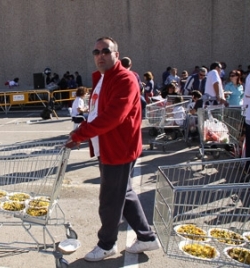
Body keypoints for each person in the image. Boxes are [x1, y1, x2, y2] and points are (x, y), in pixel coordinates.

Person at [65, 36, 160, 262]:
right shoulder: (103, 79)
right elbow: (97, 112)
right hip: (107, 146)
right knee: (123, 193)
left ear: (116, 54)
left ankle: (107, 244)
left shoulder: (124, 79)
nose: (100, 56)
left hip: (118, 149)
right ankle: (146, 237)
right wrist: (84, 132)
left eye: (106, 51)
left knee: (109, 199)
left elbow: (113, 117)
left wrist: (80, 134)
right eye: (96, 52)